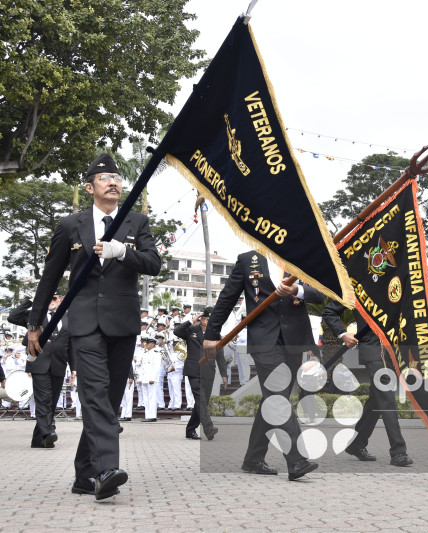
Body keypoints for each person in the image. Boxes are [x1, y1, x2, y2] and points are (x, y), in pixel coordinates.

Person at [24, 153, 161, 500]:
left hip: (123, 322)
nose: (113, 182)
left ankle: (84, 475)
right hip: (84, 324)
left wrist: (122, 252)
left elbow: (154, 264)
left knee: (110, 399)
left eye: (117, 177)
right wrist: (34, 324)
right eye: (105, 178)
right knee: (96, 395)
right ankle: (106, 471)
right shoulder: (72, 224)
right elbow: (50, 276)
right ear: (90, 187)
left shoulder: (136, 222)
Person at [204, 251, 322, 480]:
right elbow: (227, 298)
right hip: (264, 340)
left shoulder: (301, 256)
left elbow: (321, 294)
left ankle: (253, 458)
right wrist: (212, 334)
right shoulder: (248, 260)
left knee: (273, 399)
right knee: (278, 396)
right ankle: (296, 460)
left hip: (294, 340)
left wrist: (296, 290)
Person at [323, 300, 413, 466]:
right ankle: (398, 451)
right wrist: (343, 334)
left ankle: (357, 444)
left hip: (392, 349)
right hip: (372, 347)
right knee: (386, 393)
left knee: (377, 399)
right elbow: (329, 311)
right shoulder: (357, 285)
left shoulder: (394, 282)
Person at [8, 290, 73, 448]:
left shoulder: (68, 318)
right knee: (43, 399)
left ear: (59, 301)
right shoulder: (35, 316)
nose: (51, 300)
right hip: (39, 364)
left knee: (51, 402)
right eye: (49, 297)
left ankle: (39, 440)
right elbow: (13, 316)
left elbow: (70, 345)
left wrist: (74, 367)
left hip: (59, 364)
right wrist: (31, 301)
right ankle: (48, 431)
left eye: (54, 298)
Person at [174, 307, 227, 440]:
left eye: (210, 320)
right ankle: (209, 429)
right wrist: (191, 320)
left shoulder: (215, 335)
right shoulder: (192, 330)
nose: (207, 322)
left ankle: (190, 430)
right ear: (202, 319)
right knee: (201, 400)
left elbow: (220, 356)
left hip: (209, 372)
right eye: (205, 319)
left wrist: (224, 374)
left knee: (202, 403)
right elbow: (177, 331)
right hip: (194, 371)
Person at [138, 335, 159, 422]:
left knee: (152, 397)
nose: (146, 344)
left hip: (151, 379)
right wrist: (140, 378)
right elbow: (142, 367)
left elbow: (157, 367)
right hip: (144, 379)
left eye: (149, 343)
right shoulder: (145, 353)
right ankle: (147, 415)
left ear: (153, 344)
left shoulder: (156, 353)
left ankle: (152, 416)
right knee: (146, 398)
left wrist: (152, 378)